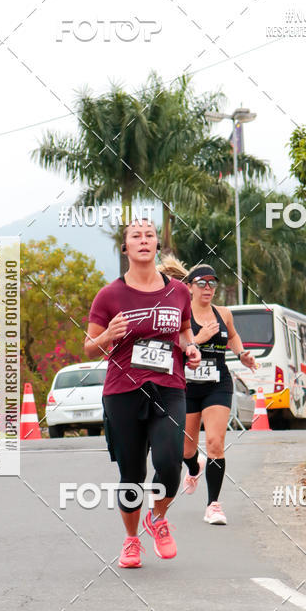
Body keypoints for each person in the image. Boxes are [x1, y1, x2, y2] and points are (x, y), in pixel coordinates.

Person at [84, 219, 201, 569]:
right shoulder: (109, 295)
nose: (144, 240)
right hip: (123, 391)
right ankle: (131, 540)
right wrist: (108, 336)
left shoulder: (179, 292)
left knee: (168, 464)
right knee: (131, 474)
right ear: (126, 248)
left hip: (169, 387)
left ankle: (158, 518)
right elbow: (90, 347)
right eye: (136, 236)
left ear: (156, 246)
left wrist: (191, 348)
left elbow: (182, 333)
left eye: (150, 235)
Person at [158, 258, 256, 524]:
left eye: (212, 283)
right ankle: (194, 466)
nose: (208, 288)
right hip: (186, 387)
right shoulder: (179, 314)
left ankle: (213, 505)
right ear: (189, 286)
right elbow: (171, 346)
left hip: (218, 385)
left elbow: (233, 336)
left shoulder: (223, 313)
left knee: (215, 443)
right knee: (186, 450)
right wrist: (197, 340)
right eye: (202, 283)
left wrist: (242, 353)